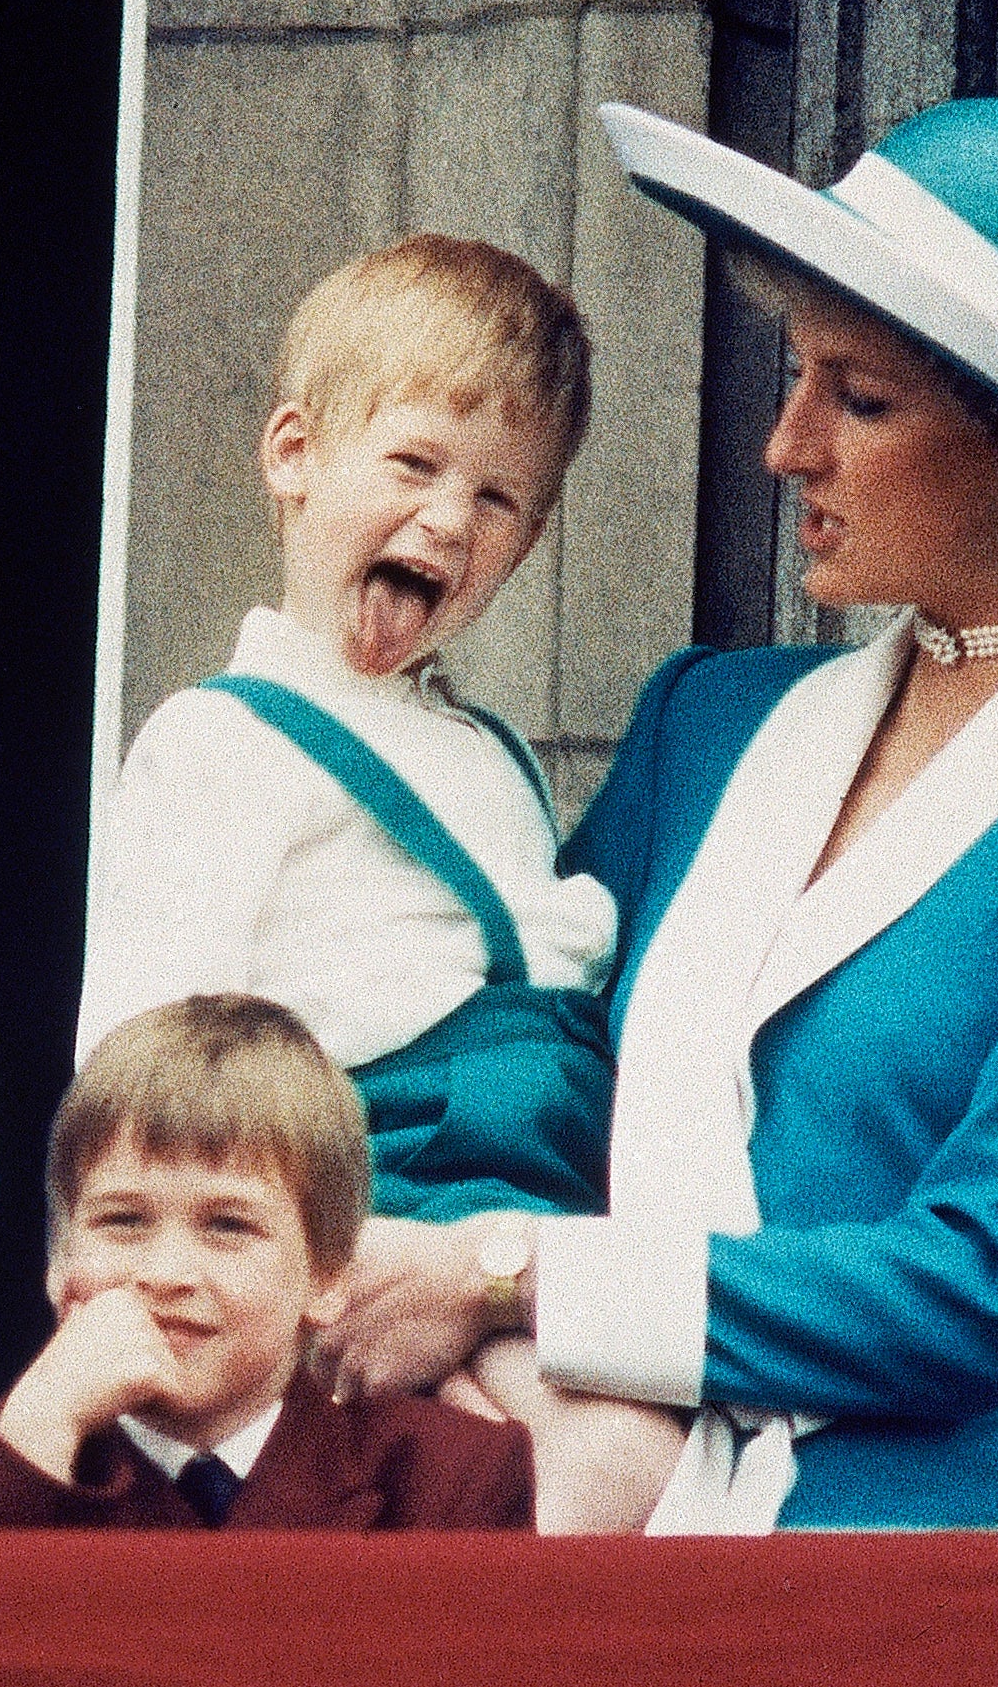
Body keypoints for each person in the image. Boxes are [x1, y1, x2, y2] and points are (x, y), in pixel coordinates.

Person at [316, 96, 998, 1530]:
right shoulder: (707, 721)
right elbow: (522, 1088)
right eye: (797, 374)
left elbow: (990, 1287)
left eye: (861, 395)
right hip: (510, 1533)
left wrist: (506, 1273)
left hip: (858, 1610)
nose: (785, 445)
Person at [74, 233, 618, 1228]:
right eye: (415, 463)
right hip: (366, 1208)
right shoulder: (220, 744)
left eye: (498, 498)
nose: (452, 520)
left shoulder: (494, 757)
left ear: (532, 539)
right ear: (294, 456)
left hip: (543, 1201)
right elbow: (142, 1061)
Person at [0, 995, 534, 1530]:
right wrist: (43, 1426)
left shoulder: (452, 1478)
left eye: (227, 1225)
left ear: (328, 1276)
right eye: (123, 1221)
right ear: (59, 1263)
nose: (167, 1273)